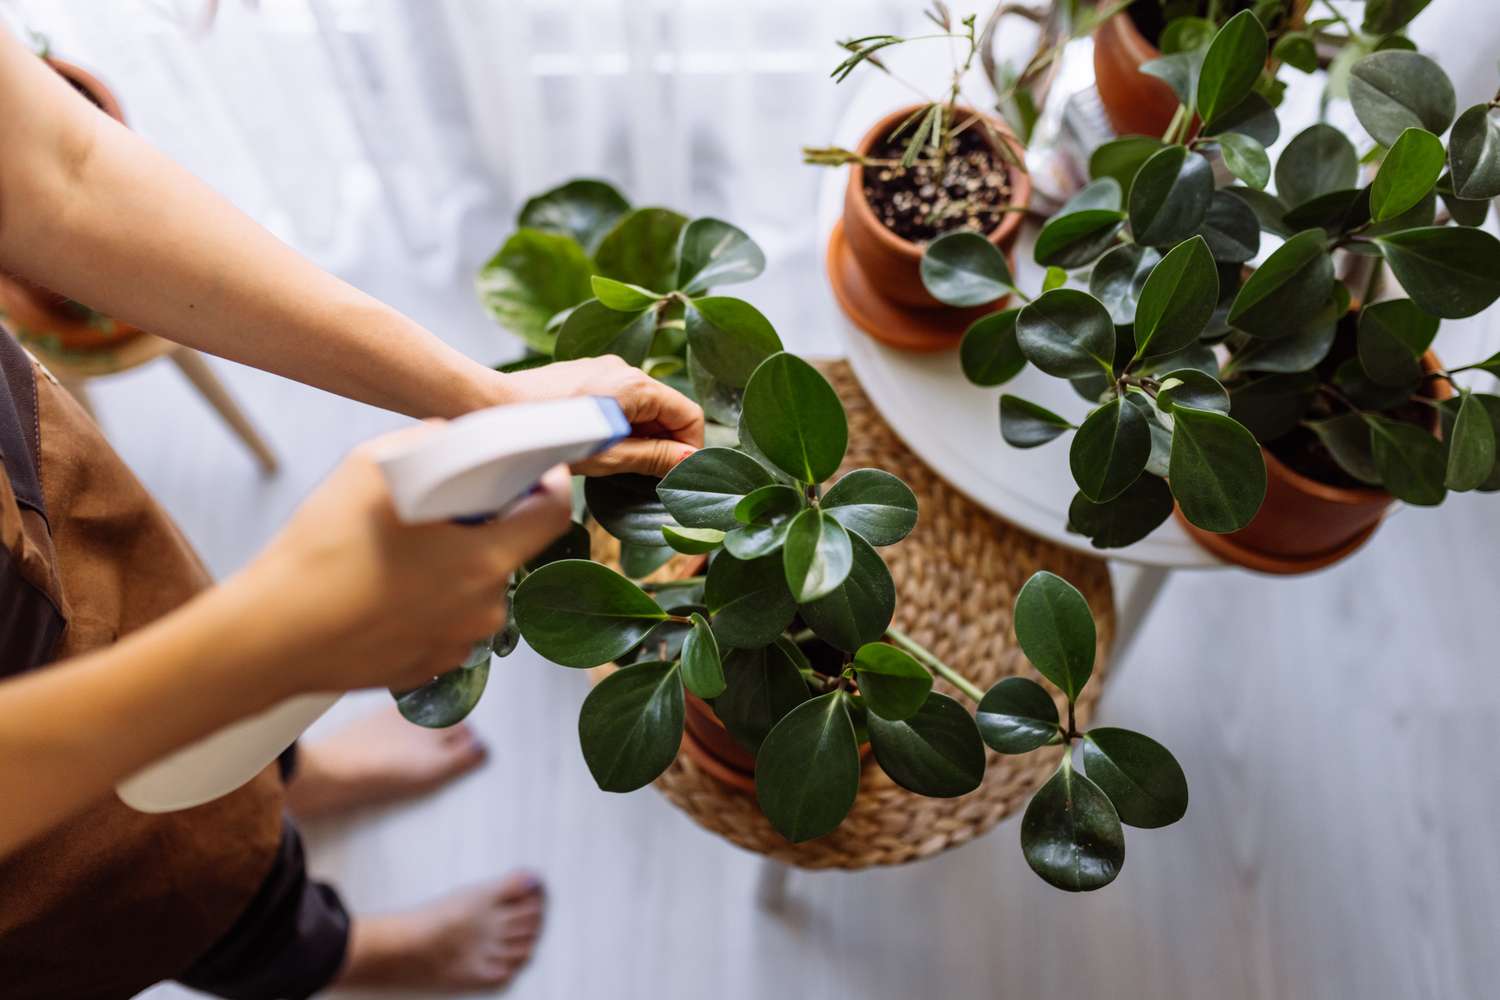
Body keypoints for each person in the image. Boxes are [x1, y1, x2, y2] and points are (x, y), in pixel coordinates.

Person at [0, 26, 703, 1000]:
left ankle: (297, 773)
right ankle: (334, 960)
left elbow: (52, 165)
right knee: (156, 879)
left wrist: (481, 400)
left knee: (165, 616)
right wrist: (286, 634)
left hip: (26, 478)